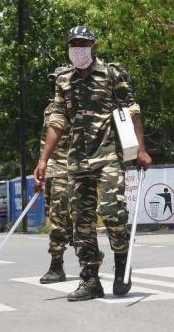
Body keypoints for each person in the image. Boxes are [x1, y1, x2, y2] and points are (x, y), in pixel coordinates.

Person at [34, 26, 152, 301]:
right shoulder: (63, 80)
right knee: (81, 222)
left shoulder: (111, 74)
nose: (78, 48)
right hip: (77, 160)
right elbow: (57, 120)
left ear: (93, 46)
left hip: (108, 154)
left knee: (113, 212)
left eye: (83, 43)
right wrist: (44, 159)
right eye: (73, 44)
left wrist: (141, 150)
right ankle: (90, 279)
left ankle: (122, 262)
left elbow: (131, 111)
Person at [38, 66, 74, 284]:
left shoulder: (74, 106)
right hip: (51, 169)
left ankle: (56, 266)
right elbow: (45, 142)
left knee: (59, 218)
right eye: (54, 80)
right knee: (58, 217)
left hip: (68, 168)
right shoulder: (50, 108)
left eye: (59, 80)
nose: (55, 84)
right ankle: (88, 253)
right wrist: (41, 166)